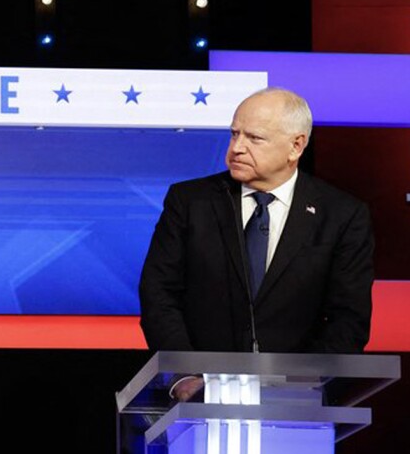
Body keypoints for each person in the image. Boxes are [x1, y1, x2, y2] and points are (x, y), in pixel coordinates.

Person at [139, 87, 374, 371]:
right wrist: (184, 374)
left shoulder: (342, 215)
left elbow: (348, 318)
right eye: (234, 134)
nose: (237, 147)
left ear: (296, 146)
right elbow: (158, 294)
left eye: (254, 138)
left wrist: (305, 383)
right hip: (200, 388)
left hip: (298, 398)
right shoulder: (190, 201)